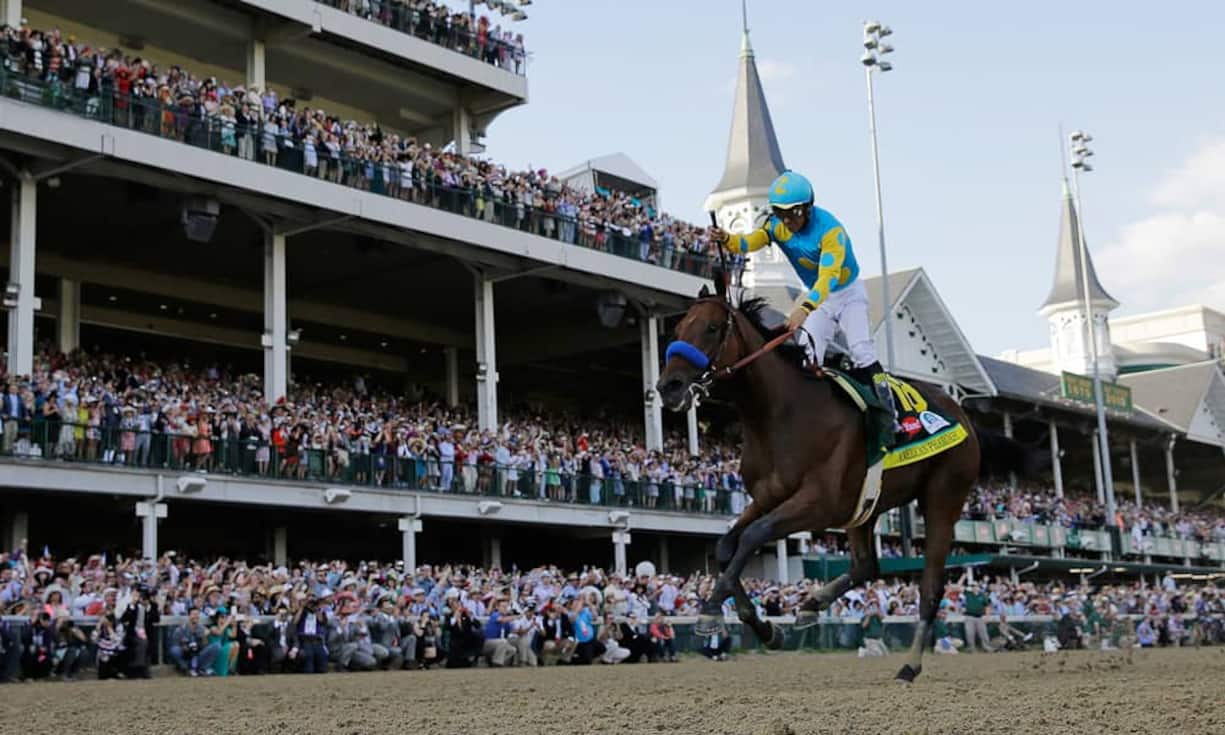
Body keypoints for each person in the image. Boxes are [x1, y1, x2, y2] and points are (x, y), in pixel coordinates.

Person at [712, 170, 899, 434]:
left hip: (847, 294)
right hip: (819, 298)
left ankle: (890, 415)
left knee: (860, 350)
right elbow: (750, 241)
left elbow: (827, 279)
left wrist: (803, 309)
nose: (787, 221)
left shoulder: (831, 231)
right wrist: (727, 239)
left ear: (808, 209)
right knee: (807, 354)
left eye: (794, 213)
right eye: (780, 213)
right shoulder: (776, 225)